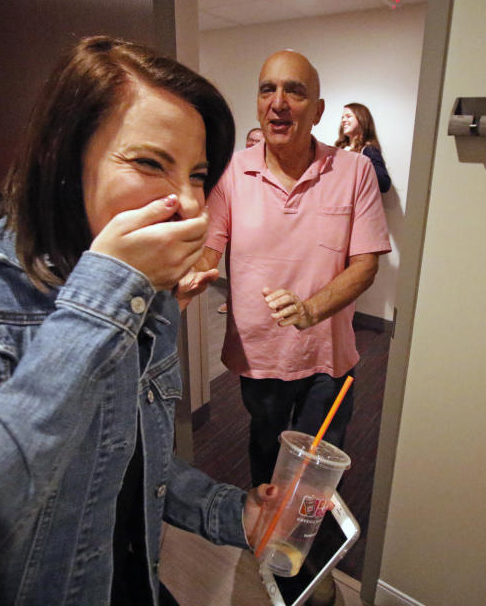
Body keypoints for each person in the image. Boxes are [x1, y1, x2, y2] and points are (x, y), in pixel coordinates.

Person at [0, 36, 275, 606]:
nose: (191, 204)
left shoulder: (150, 292)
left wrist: (230, 512)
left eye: (196, 175)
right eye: (150, 162)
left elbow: (126, 455)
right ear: (61, 156)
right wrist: (110, 291)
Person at [183, 50, 390, 604]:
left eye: (294, 91)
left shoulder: (354, 172)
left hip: (331, 357)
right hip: (259, 357)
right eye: (267, 89)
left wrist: (311, 309)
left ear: (317, 108)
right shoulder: (232, 172)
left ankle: (308, 569)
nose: (278, 103)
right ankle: (269, 554)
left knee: (319, 475)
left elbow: (365, 264)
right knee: (266, 456)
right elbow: (210, 246)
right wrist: (192, 273)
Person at [217, 126, 265, 315]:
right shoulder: (234, 164)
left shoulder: (270, 166)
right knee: (235, 269)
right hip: (236, 225)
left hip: (261, 228)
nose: (252, 143)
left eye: (257, 140)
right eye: (250, 139)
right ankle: (233, 303)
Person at [335, 102, 391, 193]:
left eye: (348, 116)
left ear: (361, 120)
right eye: (342, 117)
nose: (343, 120)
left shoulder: (368, 150)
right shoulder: (340, 149)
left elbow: (384, 184)